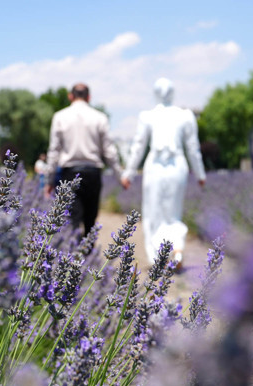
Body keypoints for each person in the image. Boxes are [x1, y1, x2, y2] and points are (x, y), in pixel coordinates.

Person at [121, 78, 206, 269]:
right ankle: (177, 249)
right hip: (178, 166)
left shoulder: (147, 116)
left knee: (153, 214)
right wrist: (200, 175)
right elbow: (193, 148)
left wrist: (129, 173)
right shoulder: (185, 115)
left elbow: (138, 147)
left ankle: (157, 258)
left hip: (155, 167)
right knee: (173, 213)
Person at [47, 83, 121, 236]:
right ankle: (88, 249)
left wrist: (49, 180)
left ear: (70, 96)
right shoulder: (100, 117)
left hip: (69, 173)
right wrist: (119, 176)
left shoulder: (60, 117)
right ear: (89, 97)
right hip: (92, 173)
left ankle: (72, 249)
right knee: (90, 221)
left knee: (71, 220)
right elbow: (109, 150)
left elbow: (54, 151)